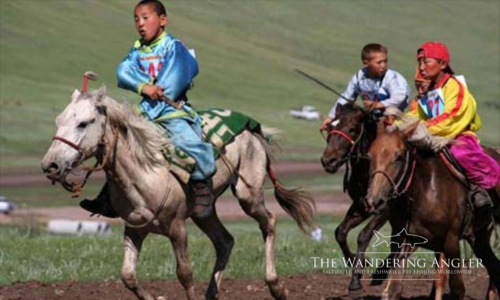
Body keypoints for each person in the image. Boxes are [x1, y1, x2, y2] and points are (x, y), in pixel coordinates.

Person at [80, 0, 216, 219]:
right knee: (116, 145)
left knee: (187, 140)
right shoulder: (137, 49)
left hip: (171, 110)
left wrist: (158, 88)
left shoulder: (173, 46)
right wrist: (144, 87)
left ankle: (202, 187)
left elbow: (181, 72)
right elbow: (124, 71)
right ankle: (109, 197)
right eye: (136, 19)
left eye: (145, 18)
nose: (140, 24)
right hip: (145, 111)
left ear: (162, 20)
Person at [407, 41, 500, 224]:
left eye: (426, 62)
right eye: (419, 63)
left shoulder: (454, 86)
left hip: (459, 135)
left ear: (442, 64)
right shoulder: (429, 92)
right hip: (434, 136)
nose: (421, 67)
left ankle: (483, 189)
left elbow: (453, 115)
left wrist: (424, 129)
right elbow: (414, 115)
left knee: (462, 153)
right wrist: (397, 123)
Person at [320, 43, 410, 130]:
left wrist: (378, 105)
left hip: (394, 118)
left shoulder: (391, 77)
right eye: (379, 63)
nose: (383, 66)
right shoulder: (358, 77)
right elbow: (346, 98)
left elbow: (399, 97)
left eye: (385, 61)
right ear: (366, 63)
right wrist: (330, 117)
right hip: (371, 117)